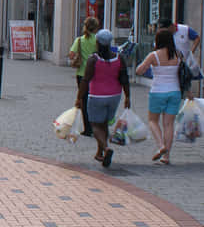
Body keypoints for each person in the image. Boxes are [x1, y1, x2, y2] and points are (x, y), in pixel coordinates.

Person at [76, 29, 130, 168]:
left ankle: (106, 148)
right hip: (114, 96)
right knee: (104, 123)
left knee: (94, 124)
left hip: (96, 96)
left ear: (97, 42)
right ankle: (99, 153)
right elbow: (125, 78)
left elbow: (86, 80)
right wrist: (128, 96)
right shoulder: (119, 58)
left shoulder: (93, 59)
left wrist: (79, 98)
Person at [135, 29, 182, 165]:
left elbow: (139, 70)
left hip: (157, 91)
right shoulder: (178, 54)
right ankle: (166, 156)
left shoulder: (153, 55)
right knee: (168, 124)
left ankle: (161, 145)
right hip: (175, 92)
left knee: (152, 121)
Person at [69, 16, 100, 136]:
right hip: (96, 73)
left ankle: (88, 128)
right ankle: (97, 125)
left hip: (82, 74)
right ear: (96, 28)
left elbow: (71, 55)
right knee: (96, 99)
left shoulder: (80, 40)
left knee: (84, 100)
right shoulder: (98, 40)